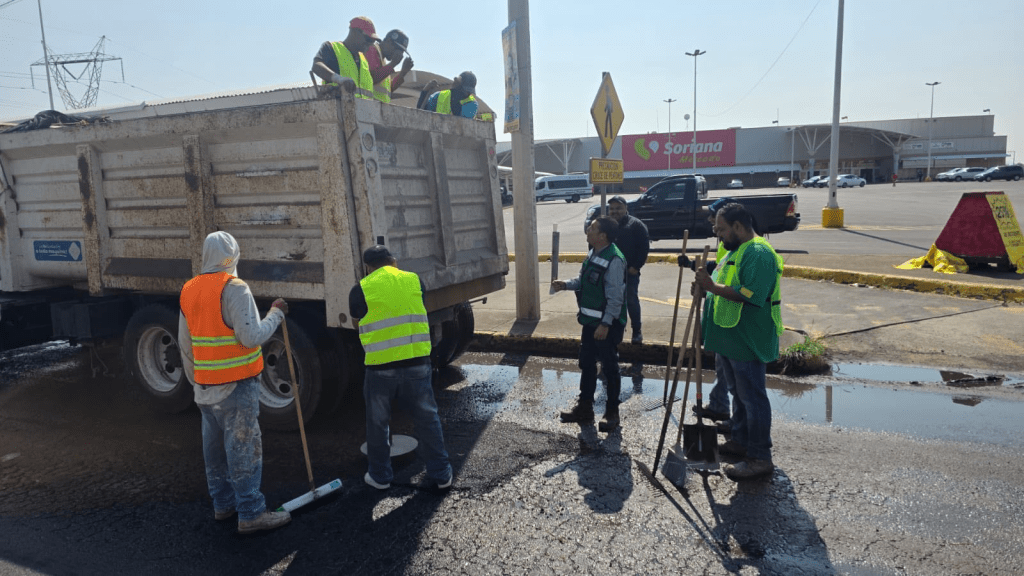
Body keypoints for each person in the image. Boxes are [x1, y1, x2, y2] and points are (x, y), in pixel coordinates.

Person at [178, 231, 291, 534]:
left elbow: (185, 344)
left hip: (205, 390)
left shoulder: (189, 289)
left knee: (214, 452)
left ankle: (223, 505)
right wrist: (276, 315)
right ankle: (252, 513)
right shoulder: (234, 288)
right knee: (243, 449)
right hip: (237, 386)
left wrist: (197, 382)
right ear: (234, 256)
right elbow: (251, 336)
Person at [350, 245, 453, 491]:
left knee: (378, 424)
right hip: (417, 363)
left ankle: (380, 476)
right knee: (428, 419)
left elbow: (357, 320)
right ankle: (441, 474)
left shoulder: (360, 289)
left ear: (368, 267)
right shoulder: (415, 281)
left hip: (380, 368)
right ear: (393, 261)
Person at [694, 203, 784, 481]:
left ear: (737, 226)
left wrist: (711, 287)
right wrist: (704, 288)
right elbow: (722, 283)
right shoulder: (735, 250)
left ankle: (759, 456)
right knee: (739, 395)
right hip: (730, 336)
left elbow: (749, 293)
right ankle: (740, 441)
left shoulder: (758, 252)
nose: (718, 235)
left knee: (752, 398)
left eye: (721, 229)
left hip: (748, 337)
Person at [551, 216, 627, 432]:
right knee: (586, 364)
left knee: (610, 368)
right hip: (590, 323)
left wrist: (605, 324)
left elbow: (615, 298)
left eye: (592, 228)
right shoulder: (594, 252)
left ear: (602, 236)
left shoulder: (614, 260)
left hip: (606, 325)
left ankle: (612, 413)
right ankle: (585, 409)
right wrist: (565, 285)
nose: (588, 230)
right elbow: (582, 280)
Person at [678, 197, 733, 427]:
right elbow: (715, 269)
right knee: (724, 369)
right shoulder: (726, 245)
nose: (714, 228)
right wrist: (693, 267)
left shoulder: (743, 249)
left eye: (718, 225)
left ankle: (732, 420)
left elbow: (722, 276)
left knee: (738, 380)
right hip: (720, 315)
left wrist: (708, 286)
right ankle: (720, 405)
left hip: (733, 320)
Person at [606, 196, 650, 345]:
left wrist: (636, 267)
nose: (614, 211)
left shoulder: (636, 225)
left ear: (626, 208)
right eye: (612, 208)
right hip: (609, 273)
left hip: (629, 273)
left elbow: (644, 248)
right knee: (611, 301)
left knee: (631, 300)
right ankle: (613, 331)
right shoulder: (606, 225)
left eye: (618, 208)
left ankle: (636, 331)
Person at [311, 16, 379, 99]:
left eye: (373, 41)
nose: (370, 44)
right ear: (355, 32)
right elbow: (316, 66)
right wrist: (339, 79)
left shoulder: (363, 60)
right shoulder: (332, 48)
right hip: (339, 108)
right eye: (368, 39)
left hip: (363, 110)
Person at [366, 29, 414, 103]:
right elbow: (372, 78)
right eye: (398, 49)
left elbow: (388, 89)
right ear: (388, 41)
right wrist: (393, 64)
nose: (399, 54)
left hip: (379, 108)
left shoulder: (383, 61)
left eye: (402, 52)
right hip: (368, 104)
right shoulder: (372, 50)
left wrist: (403, 73)